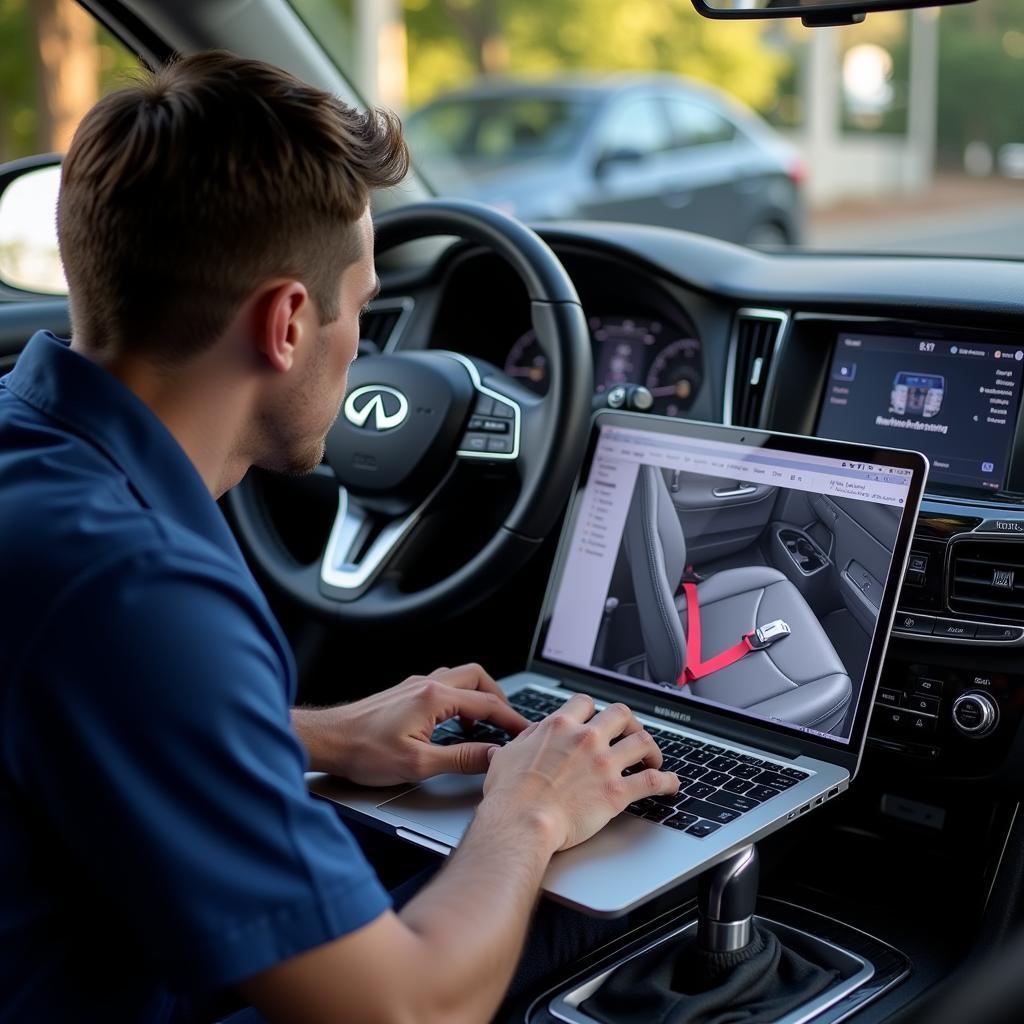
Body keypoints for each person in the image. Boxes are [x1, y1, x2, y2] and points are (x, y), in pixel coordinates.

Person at [0, 51, 680, 1023]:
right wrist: (531, 808)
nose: (364, 344)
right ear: (284, 323)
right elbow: (405, 1010)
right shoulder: (136, 590)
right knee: (612, 913)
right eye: (359, 305)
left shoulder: (33, 463)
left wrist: (310, 734)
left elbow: (67, 716)